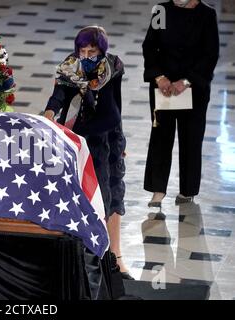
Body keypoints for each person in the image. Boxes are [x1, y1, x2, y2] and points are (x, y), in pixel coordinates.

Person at [44, 26, 132, 279]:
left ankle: (115, 257)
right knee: (77, 193)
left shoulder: (111, 67)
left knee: (110, 194)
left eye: (91, 51)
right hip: (76, 138)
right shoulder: (70, 66)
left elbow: (112, 111)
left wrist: (84, 132)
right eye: (82, 50)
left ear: (101, 50)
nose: (86, 56)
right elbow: (61, 93)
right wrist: (50, 114)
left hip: (105, 136)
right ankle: (85, 254)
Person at [142, 0, 219, 207]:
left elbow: (210, 55)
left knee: (191, 138)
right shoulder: (161, 11)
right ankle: (158, 190)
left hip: (194, 89)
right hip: (163, 87)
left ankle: (187, 191)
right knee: (160, 137)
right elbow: (150, 46)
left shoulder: (207, 15)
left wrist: (186, 81)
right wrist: (159, 77)